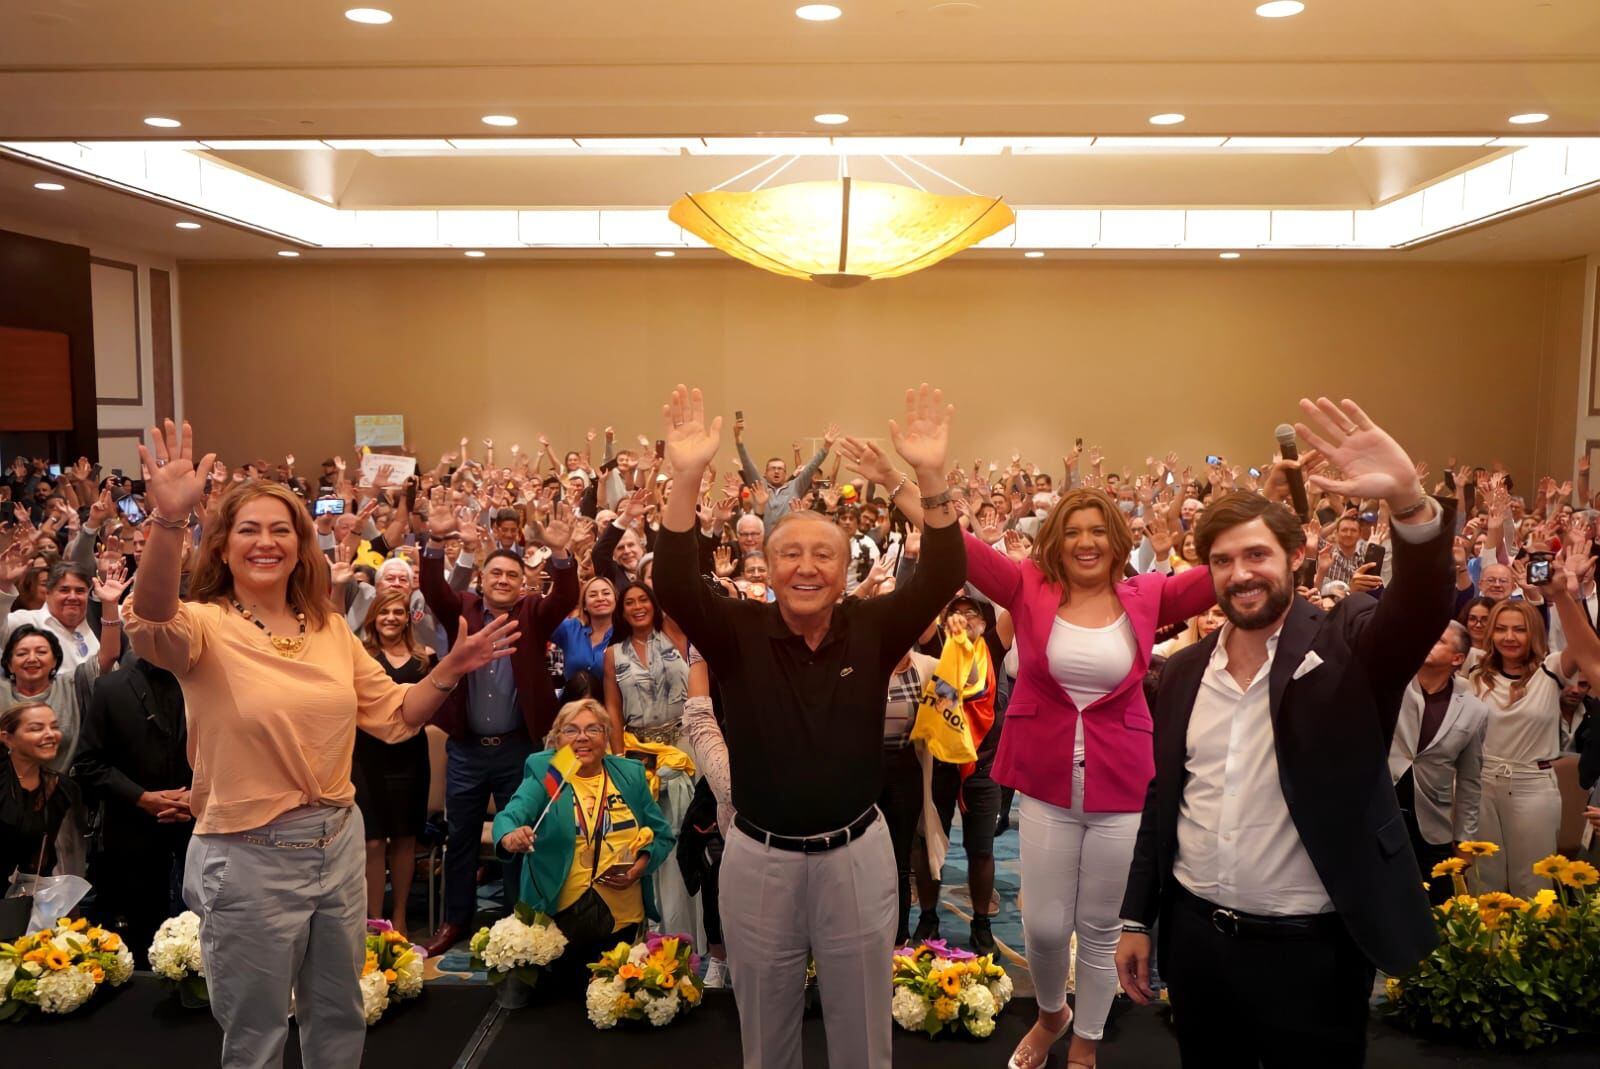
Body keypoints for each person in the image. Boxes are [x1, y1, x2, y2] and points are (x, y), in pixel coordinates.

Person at [124, 420, 517, 1069]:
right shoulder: (205, 625)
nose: (266, 541)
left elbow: (395, 714)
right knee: (255, 1037)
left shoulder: (330, 627)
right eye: (248, 528)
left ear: (301, 544)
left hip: (337, 842)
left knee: (339, 1017)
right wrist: (169, 522)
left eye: (281, 529)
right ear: (222, 547)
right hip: (249, 855)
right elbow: (152, 617)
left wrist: (449, 669)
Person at [1117, 397, 1454, 1068]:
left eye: (1256, 555)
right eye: (1222, 560)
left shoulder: (1348, 642)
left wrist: (1412, 506)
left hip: (1315, 953)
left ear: (1296, 555)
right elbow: (1167, 801)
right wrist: (1135, 916)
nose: (1240, 574)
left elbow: (1416, 612)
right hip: (1199, 943)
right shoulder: (1181, 673)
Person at [655, 383, 963, 1069]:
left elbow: (946, 568)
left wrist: (929, 474)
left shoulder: (873, 627)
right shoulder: (736, 630)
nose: (806, 566)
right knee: (766, 1040)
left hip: (857, 854)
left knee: (862, 1038)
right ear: (767, 567)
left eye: (823, 554)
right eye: (789, 553)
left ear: (844, 568)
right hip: (758, 859)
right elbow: (674, 582)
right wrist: (685, 476)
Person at [960, 484, 1214, 1069]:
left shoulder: (1146, 596)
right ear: (1055, 540)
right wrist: (920, 485)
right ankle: (1053, 1015)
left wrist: (1273, 506)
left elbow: (1218, 575)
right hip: (1047, 781)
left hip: (1122, 786)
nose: (1085, 541)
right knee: (1045, 926)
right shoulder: (1030, 586)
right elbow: (965, 550)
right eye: (1072, 530)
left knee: (1101, 927)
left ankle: (1087, 1041)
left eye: (1097, 529)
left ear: (1116, 538)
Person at [416, 505, 578, 959]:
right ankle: (454, 922)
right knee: (461, 837)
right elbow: (431, 588)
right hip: (466, 750)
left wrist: (562, 551)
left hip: (519, 750)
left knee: (520, 834)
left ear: (522, 583)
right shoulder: (462, 610)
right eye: (496, 573)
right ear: (482, 580)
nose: (504, 580)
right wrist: (437, 540)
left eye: (512, 574)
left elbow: (565, 597)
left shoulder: (533, 613)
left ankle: (519, 919)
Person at [491, 699, 675, 991]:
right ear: (557, 739)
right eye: (571, 730)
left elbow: (663, 835)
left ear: (606, 735)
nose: (582, 738)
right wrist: (510, 835)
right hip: (561, 920)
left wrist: (639, 867)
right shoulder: (552, 771)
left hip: (623, 918)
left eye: (593, 729)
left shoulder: (628, 774)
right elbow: (512, 813)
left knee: (616, 1003)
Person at [1468, 576, 1600, 897]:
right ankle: (1487, 948)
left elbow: (1588, 650)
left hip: (1532, 785)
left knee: (1534, 883)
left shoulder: (1551, 668)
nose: (1509, 637)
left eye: (1519, 629)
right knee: (1483, 884)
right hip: (1480, 784)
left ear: (1534, 632)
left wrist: (1562, 595)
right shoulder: (1473, 672)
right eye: (1500, 629)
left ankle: (1533, 948)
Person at [73, 653, 194, 967]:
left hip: (201, 825)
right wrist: (143, 798)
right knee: (142, 936)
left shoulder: (209, 681)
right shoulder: (109, 688)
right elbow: (88, 764)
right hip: (132, 831)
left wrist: (199, 797)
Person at [1386, 622, 1489, 905]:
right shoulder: (1392, 685)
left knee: (1434, 910)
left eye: (1438, 640)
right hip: (1381, 815)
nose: (1426, 641)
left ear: (1457, 659)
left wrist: (1465, 841)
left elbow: (1470, 781)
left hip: (1432, 826)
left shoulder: (1474, 711)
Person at [353, 587, 435, 937]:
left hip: (410, 759)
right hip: (367, 758)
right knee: (372, 841)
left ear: (408, 618)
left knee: (404, 839)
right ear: (373, 617)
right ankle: (375, 918)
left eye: (398, 612)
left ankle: (399, 916)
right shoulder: (361, 656)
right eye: (384, 612)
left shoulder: (423, 660)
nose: (391, 618)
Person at [0, 701, 80, 890]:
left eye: (54, 727)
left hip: (22, 903)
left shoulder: (61, 788)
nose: (50, 734)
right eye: (36, 728)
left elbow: (50, 855)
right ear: (7, 739)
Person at [550, 577, 616, 690]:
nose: (600, 598)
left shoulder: (625, 633)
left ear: (615, 600)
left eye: (606, 593)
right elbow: (539, 622)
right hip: (573, 705)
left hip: (611, 705)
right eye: (593, 595)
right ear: (584, 605)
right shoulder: (570, 628)